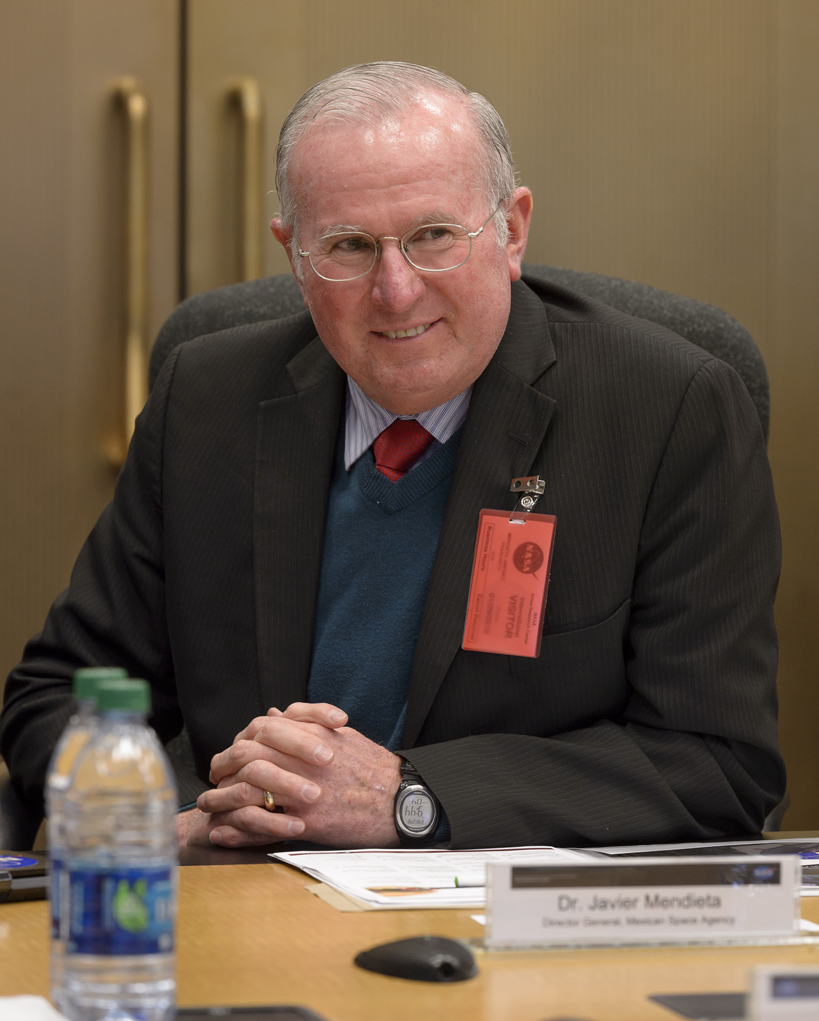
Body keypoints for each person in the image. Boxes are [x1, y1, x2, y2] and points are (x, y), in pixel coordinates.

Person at [1, 62, 785, 850]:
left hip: (508, 925)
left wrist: (412, 800)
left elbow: (713, 764)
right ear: (294, 254)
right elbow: (59, 694)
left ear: (511, 231)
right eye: (347, 246)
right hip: (240, 905)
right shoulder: (208, 400)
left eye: (433, 236)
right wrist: (166, 827)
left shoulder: (667, 411)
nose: (396, 289)